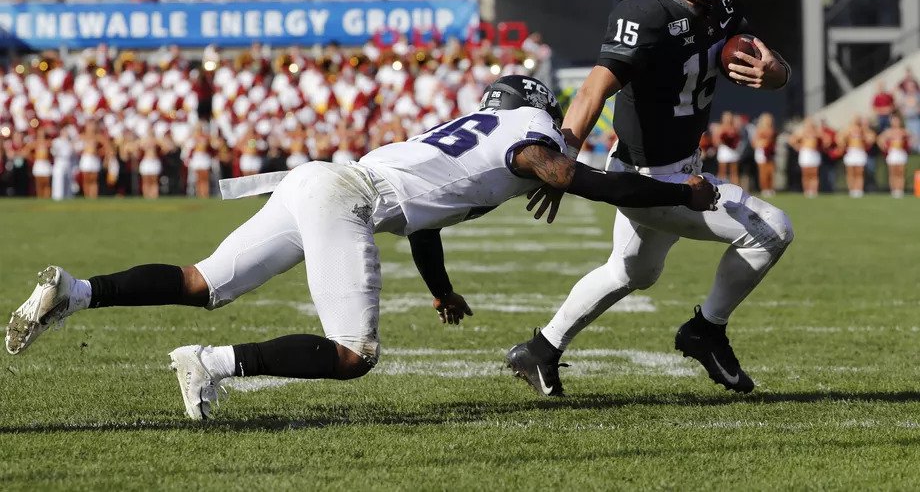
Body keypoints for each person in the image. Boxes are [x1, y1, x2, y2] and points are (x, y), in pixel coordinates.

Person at [5, 75, 717, 420]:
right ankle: (211, 365)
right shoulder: (530, 132)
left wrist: (438, 290)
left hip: (321, 177)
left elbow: (428, 220)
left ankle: (77, 290)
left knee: (199, 280)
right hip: (344, 197)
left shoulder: (471, 127)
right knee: (354, 354)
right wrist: (676, 193)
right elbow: (579, 177)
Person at [506, 0, 794, 398]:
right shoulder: (644, 15)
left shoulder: (722, 9)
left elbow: (766, 64)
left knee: (632, 270)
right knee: (772, 230)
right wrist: (562, 158)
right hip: (649, 177)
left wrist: (778, 74)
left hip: (682, 162)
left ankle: (540, 350)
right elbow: (595, 89)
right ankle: (706, 329)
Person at [877, 114, 913, 198]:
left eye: (897, 120)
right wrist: (884, 147)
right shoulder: (888, 132)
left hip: (901, 153)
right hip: (892, 153)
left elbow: (912, 138)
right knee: (892, 172)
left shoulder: (904, 131)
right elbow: (879, 139)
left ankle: (900, 190)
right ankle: (893, 190)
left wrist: (908, 145)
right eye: (893, 120)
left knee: (901, 172)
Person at [752, 112, 777, 196]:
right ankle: (764, 189)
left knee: (771, 171)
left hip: (770, 152)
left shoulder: (772, 129)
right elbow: (754, 143)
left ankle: (770, 188)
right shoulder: (759, 130)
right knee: (763, 171)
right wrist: (763, 143)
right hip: (762, 152)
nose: (768, 122)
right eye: (767, 120)